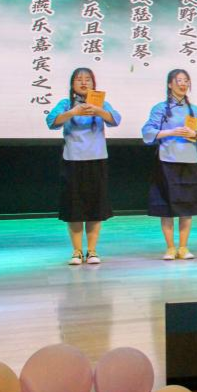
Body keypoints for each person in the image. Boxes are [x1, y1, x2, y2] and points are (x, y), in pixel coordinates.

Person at [46, 68, 121, 265]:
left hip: (97, 159)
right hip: (73, 160)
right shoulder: (66, 104)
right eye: (79, 79)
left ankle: (92, 250)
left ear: (93, 84)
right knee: (74, 207)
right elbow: (51, 122)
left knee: (96, 205)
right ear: (72, 84)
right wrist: (73, 112)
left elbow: (115, 120)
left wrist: (99, 111)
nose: (84, 82)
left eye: (88, 79)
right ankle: (77, 251)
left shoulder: (101, 103)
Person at [142, 69, 197, 260]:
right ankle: (170, 247)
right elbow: (148, 131)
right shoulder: (160, 108)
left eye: (186, 81)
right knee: (166, 207)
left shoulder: (194, 109)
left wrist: (195, 134)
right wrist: (171, 132)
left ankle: (183, 246)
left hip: (190, 161)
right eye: (179, 80)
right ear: (169, 84)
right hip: (167, 161)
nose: (183, 84)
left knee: (187, 207)